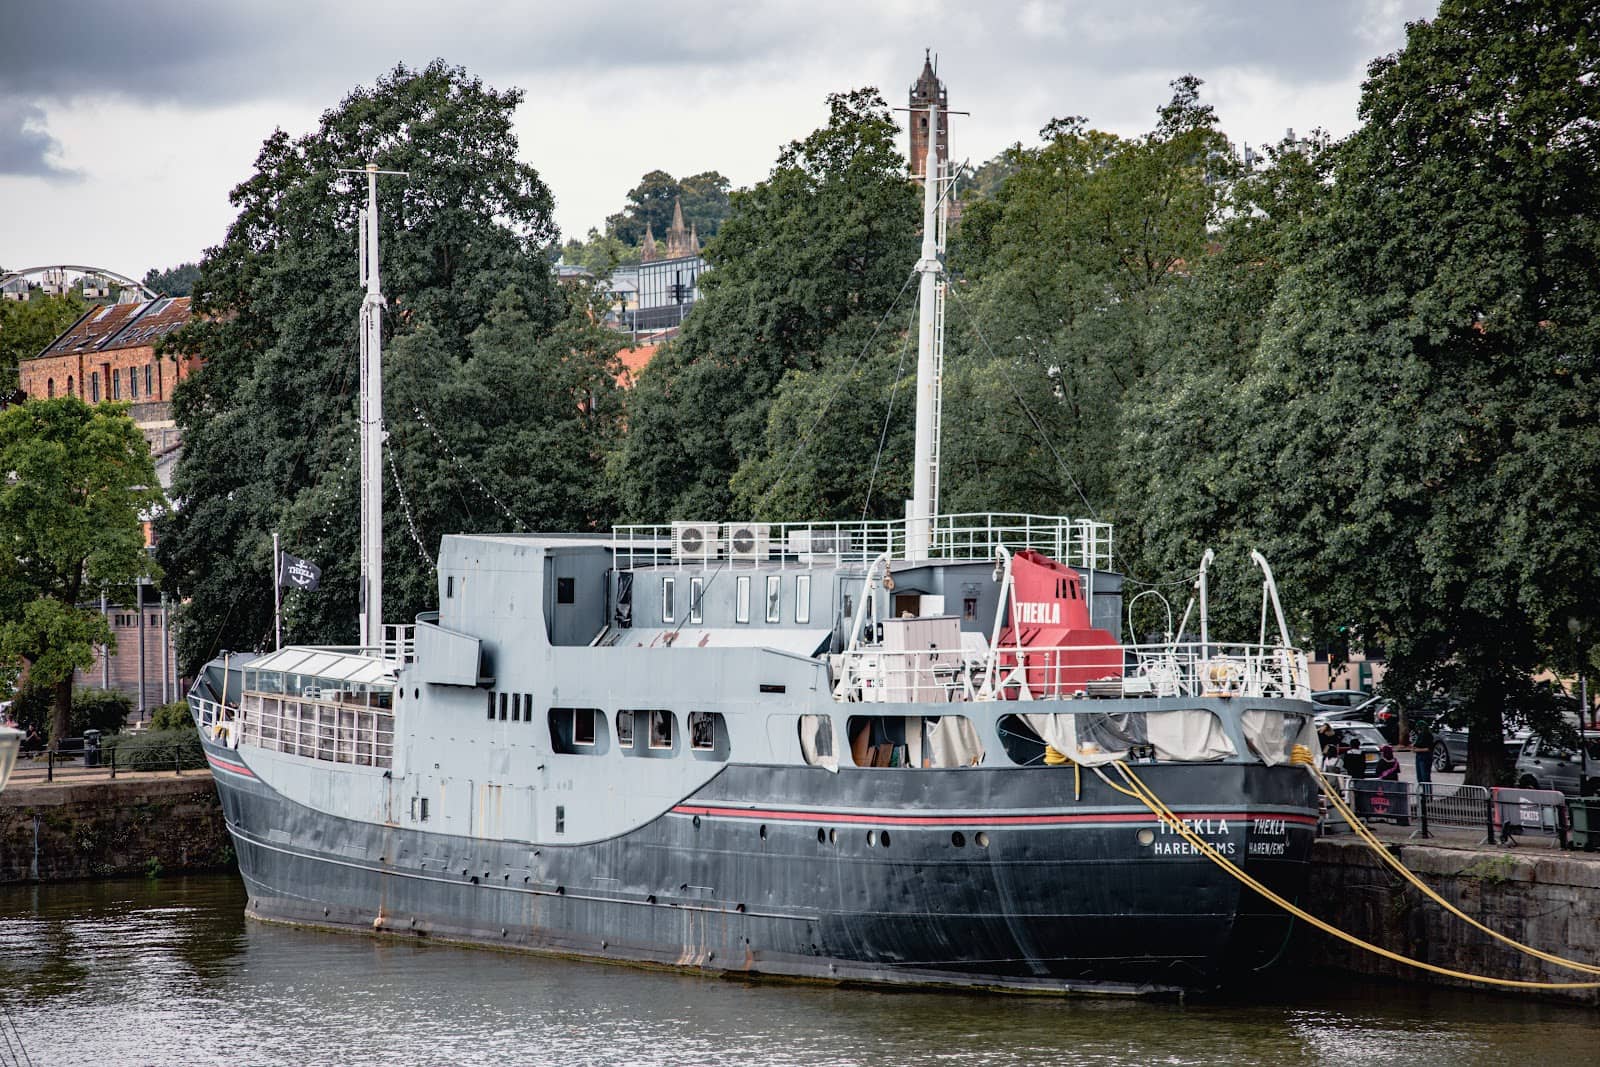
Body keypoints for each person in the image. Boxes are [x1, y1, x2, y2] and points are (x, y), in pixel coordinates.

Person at [1411, 719, 1435, 785]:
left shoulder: (1427, 736)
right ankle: (1423, 792)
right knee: (1420, 777)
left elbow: (1428, 748)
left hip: (1425, 757)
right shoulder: (1420, 735)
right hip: (1419, 756)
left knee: (1425, 776)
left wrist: (1416, 750)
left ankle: (1427, 792)